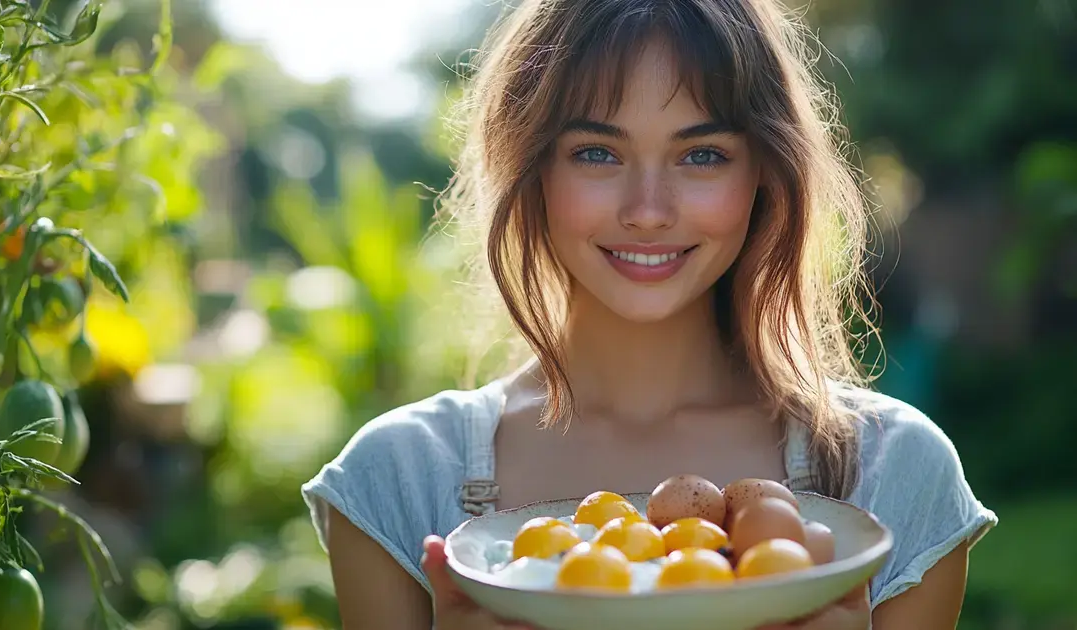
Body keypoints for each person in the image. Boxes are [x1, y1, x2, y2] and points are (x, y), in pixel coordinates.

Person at [301, 0, 998, 627]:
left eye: (702, 155)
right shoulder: (400, 479)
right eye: (597, 153)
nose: (648, 210)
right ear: (531, 169)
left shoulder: (891, 473)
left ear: (765, 173)